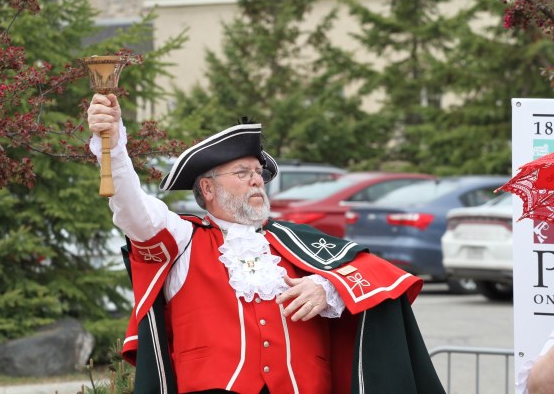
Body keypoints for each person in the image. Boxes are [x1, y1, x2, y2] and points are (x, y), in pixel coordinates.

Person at [87, 93, 445, 394]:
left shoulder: (294, 241)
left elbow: (378, 276)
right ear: (208, 189)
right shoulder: (183, 238)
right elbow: (132, 208)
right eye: (242, 174)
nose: (256, 181)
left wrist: (329, 287)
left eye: (258, 173)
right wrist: (113, 143)